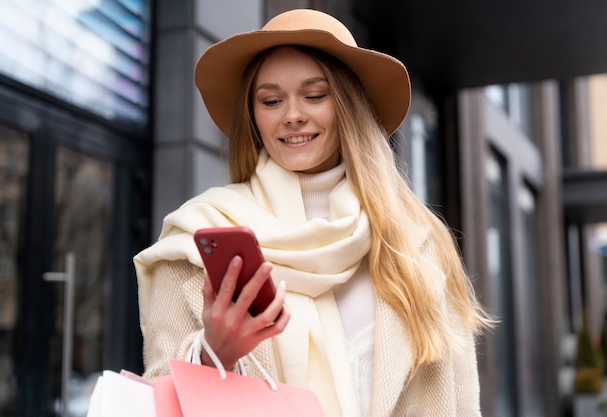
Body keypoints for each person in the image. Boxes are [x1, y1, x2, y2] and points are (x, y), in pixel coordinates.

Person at [134, 8, 493, 417]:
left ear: (348, 106)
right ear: (254, 115)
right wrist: (214, 354)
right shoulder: (199, 235)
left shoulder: (417, 239)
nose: (292, 115)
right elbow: (156, 396)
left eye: (315, 95)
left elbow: (462, 402)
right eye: (271, 100)